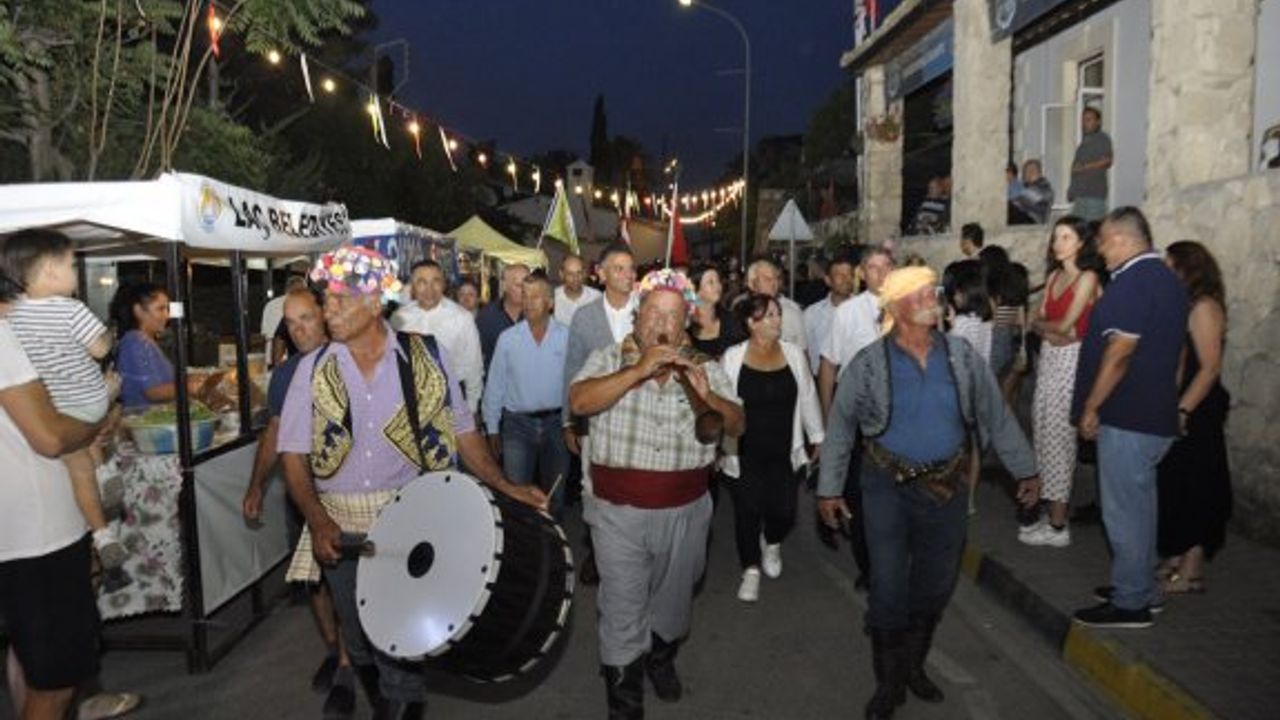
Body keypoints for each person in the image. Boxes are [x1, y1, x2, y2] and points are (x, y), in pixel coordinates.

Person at [278, 246, 545, 719]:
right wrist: (317, 520)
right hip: (339, 526)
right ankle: (380, 692)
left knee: (399, 646)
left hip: (408, 521)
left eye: (341, 299)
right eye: (326, 298)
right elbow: (294, 457)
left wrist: (507, 486)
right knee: (358, 641)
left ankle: (399, 703)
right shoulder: (312, 369)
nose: (328, 309)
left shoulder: (426, 356)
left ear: (376, 303)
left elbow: (464, 432)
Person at [817, 266, 1041, 720]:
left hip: (946, 489)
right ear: (897, 306)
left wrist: (1026, 469)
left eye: (932, 291)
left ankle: (913, 667)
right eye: (920, 293)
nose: (932, 297)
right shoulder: (869, 363)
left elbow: (996, 416)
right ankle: (888, 685)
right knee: (887, 586)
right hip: (885, 488)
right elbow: (841, 427)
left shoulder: (960, 357)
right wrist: (829, 489)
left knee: (935, 586)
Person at [569, 268, 744, 720]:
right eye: (653, 313)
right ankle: (625, 705)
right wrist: (636, 371)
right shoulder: (607, 358)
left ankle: (661, 658)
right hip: (617, 513)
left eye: (672, 315)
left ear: (686, 322)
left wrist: (713, 400)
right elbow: (579, 403)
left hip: (687, 511)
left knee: (673, 605)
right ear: (637, 318)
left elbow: (737, 424)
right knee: (622, 610)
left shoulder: (704, 366)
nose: (662, 324)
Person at [0, 265, 116, 720]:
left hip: (19, 531)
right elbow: (48, 437)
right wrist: (95, 418)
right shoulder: (4, 339)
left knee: (34, 664)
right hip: (38, 535)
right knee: (54, 683)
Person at [240, 287, 355, 718]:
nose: (300, 328)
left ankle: (347, 665)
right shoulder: (286, 375)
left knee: (343, 580)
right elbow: (274, 432)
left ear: (323, 317)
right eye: (291, 322)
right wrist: (256, 485)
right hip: (299, 490)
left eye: (306, 318)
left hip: (342, 494)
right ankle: (333, 648)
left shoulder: (347, 360)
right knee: (314, 583)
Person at [1072, 207, 1187, 629]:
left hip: (1128, 416)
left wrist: (1091, 406)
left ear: (1121, 239)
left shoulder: (1134, 283)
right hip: (1152, 413)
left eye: (1101, 242)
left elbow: (1120, 353)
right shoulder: (1166, 281)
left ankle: (1131, 602)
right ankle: (1142, 586)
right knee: (1141, 509)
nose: (1099, 252)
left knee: (1124, 514)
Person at [0, 231, 128, 580]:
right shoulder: (72, 309)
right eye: (72, 264)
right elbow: (99, 350)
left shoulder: (12, 318)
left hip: (57, 408)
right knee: (97, 423)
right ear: (51, 272)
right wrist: (107, 337)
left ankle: (100, 533)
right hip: (91, 399)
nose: (76, 272)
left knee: (77, 468)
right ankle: (106, 472)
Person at [720, 293, 823, 602]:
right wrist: (719, 449)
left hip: (783, 449)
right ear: (752, 323)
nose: (777, 320)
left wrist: (817, 435)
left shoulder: (792, 354)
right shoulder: (733, 357)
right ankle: (750, 568)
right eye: (769, 315)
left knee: (784, 511)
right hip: (744, 450)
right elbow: (723, 404)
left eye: (778, 314)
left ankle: (773, 540)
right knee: (747, 510)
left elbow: (807, 396)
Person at [1155, 241, 1232, 594]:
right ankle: (1176, 557)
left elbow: (1209, 367)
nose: (1166, 273)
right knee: (1178, 481)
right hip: (1185, 401)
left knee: (1198, 481)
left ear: (1189, 268)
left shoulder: (1203, 307)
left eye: (1172, 266)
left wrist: (1183, 409)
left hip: (1199, 406)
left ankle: (1192, 570)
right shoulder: (1187, 306)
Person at [817, 247, 895, 589]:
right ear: (863, 273)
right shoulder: (847, 313)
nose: (879, 274)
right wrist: (826, 420)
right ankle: (870, 567)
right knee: (861, 503)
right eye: (872, 268)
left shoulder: (908, 308)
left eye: (886, 267)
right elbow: (828, 367)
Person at [562, 243, 638, 586]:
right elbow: (573, 370)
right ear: (602, 273)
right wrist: (569, 420)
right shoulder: (585, 316)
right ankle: (599, 547)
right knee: (592, 485)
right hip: (595, 417)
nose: (627, 275)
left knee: (632, 486)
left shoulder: (647, 309)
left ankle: (633, 551)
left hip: (639, 417)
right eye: (619, 268)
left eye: (631, 268)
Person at [1023, 217, 1100, 547]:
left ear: (1081, 243)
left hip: (1074, 364)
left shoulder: (1088, 277)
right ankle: (1051, 513)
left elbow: (1069, 325)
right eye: (1056, 237)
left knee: (1059, 441)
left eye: (1066, 237)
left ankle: (1057, 525)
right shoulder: (1053, 276)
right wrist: (1051, 330)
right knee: (1042, 434)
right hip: (1051, 361)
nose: (1058, 243)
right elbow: (1036, 321)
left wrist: (1049, 327)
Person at [483, 271, 571, 516]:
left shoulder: (566, 337)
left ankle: (554, 550)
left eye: (535, 297)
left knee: (555, 497)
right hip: (517, 427)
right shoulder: (508, 339)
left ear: (550, 303)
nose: (528, 302)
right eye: (524, 296)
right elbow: (495, 385)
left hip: (557, 425)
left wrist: (572, 423)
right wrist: (492, 429)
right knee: (516, 496)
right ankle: (521, 550)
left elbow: (574, 384)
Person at [391, 260, 484, 414]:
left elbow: (473, 366)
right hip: (408, 402)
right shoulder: (399, 318)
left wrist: (471, 409)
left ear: (444, 285)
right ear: (412, 287)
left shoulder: (462, 318)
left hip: (451, 399)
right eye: (422, 282)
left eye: (436, 281)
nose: (430, 289)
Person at [942, 259, 996, 516]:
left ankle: (950, 496)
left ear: (961, 293)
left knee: (955, 450)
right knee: (975, 449)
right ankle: (970, 500)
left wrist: (948, 328)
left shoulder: (961, 325)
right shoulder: (986, 321)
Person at [110, 282, 217, 410]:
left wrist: (189, 379)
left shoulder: (145, 340)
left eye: (167, 309)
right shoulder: (134, 342)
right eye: (160, 309)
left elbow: (161, 381)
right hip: (145, 421)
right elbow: (152, 392)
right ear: (138, 311)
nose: (167, 315)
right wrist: (189, 387)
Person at [802, 253, 857, 375]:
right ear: (828, 280)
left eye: (850, 275)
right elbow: (806, 351)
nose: (846, 280)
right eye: (840, 275)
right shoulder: (812, 314)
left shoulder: (863, 310)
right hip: (821, 380)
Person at [741, 257, 807, 352]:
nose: (774, 283)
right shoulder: (740, 310)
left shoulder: (792, 311)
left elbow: (803, 353)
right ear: (752, 283)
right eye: (767, 279)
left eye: (776, 278)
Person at [476, 262, 530, 376]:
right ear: (505, 286)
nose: (524, 290)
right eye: (518, 285)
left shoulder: (538, 316)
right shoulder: (487, 317)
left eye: (527, 284)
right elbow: (478, 357)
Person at [687, 264, 743, 360]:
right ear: (695, 291)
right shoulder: (685, 325)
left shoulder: (731, 320)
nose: (718, 286)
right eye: (711, 282)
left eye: (718, 281)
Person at [1067, 107, 1113, 221]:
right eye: (1083, 120)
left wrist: (1084, 168)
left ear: (1098, 122)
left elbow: (1107, 160)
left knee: (1092, 230)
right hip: (1080, 197)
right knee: (1079, 232)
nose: (1084, 123)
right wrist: (1072, 190)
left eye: (1089, 120)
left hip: (1093, 196)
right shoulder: (1085, 142)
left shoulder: (1102, 138)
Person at [264, 273, 307, 368]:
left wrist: (276, 367)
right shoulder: (309, 308)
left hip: (290, 363)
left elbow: (270, 336)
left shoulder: (271, 305)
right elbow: (279, 338)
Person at [554, 254, 602, 327]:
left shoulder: (596, 298)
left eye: (579, 273)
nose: (575, 278)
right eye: (570, 274)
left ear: (584, 273)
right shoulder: (553, 298)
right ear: (561, 274)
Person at [1012, 159, 1055, 225]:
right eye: (1027, 171)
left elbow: (1033, 199)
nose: (1029, 173)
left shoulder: (1045, 188)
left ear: (1040, 173)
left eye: (1032, 170)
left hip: (1034, 224)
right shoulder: (1021, 188)